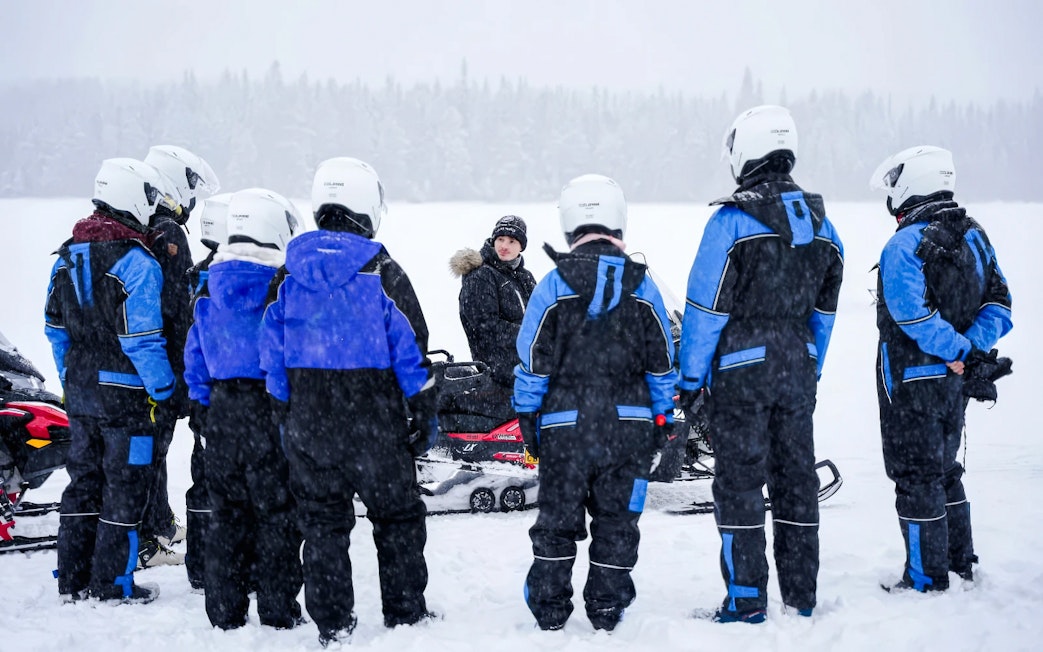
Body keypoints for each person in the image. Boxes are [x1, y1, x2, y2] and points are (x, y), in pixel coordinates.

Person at [260, 157, 437, 647]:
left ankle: (333, 623)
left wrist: (283, 409)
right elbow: (413, 346)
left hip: (310, 424)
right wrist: (423, 409)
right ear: (367, 207)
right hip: (374, 424)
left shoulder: (288, 275)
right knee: (398, 517)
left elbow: (269, 353)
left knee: (322, 523)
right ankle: (405, 613)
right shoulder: (383, 270)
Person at [677, 105, 844, 623]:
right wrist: (808, 364)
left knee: (740, 483)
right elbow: (825, 311)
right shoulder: (823, 226)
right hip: (796, 370)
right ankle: (802, 595)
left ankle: (746, 599)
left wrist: (688, 379)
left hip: (740, 374)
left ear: (744, 152)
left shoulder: (730, 221)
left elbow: (706, 310)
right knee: (796, 481)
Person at [513, 174, 677, 632]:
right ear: (617, 224)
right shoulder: (643, 288)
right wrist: (663, 418)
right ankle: (607, 608)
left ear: (570, 224)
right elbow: (662, 364)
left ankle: (549, 608)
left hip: (565, 425)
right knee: (618, 521)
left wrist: (528, 414)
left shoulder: (551, 285)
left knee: (557, 520)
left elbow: (532, 360)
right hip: (630, 426)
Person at [869, 145, 1012, 591]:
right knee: (945, 470)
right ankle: (958, 562)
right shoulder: (975, 236)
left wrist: (958, 349)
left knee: (915, 475)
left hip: (913, 380)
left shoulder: (904, 243)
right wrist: (970, 350)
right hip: (955, 380)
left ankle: (925, 577)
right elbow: (1000, 304)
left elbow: (910, 313)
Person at [45, 158, 179, 604]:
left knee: (82, 481)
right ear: (133, 197)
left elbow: (55, 330)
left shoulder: (66, 254)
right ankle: (112, 584)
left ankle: (72, 577)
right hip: (126, 396)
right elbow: (142, 340)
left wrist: (71, 381)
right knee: (124, 486)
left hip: (80, 393)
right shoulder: (138, 262)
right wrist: (163, 390)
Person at [183, 188, 304, 629]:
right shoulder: (284, 287)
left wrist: (201, 403)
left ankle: (225, 609)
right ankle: (277, 607)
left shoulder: (210, 287)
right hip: (268, 408)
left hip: (221, 409)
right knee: (277, 513)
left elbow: (194, 353)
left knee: (227, 514)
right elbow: (291, 349)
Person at [137, 144, 220, 568]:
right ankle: (150, 531)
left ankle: (159, 522)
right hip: (162, 359)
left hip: (138, 356)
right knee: (154, 445)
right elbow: (177, 306)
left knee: (150, 447)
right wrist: (184, 372)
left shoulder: (145, 225)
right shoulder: (168, 232)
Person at [181, 192, 232, 591]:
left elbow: (189, 341)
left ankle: (201, 566)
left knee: (205, 479)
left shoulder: (195, 274)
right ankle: (228, 563)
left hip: (206, 396)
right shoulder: (227, 275)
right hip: (235, 395)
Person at [449, 215, 536, 416]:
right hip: (497, 368)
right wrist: (529, 335)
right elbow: (485, 325)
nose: (504, 245)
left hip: (527, 364)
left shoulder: (524, 277)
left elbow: (543, 316)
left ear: (521, 247)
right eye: (500, 239)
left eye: (512, 241)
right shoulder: (481, 275)